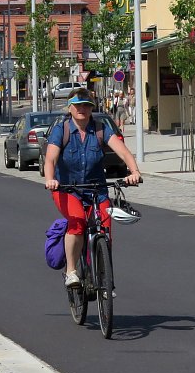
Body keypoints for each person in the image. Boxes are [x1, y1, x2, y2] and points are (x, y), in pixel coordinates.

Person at [44, 88, 141, 288]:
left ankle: (103, 277)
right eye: (78, 105)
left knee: (105, 230)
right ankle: (71, 271)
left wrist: (134, 172)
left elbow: (123, 152)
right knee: (78, 222)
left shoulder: (100, 129)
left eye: (86, 105)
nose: (82, 109)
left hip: (97, 188)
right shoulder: (61, 130)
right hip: (67, 189)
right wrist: (50, 179)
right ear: (69, 108)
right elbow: (50, 159)